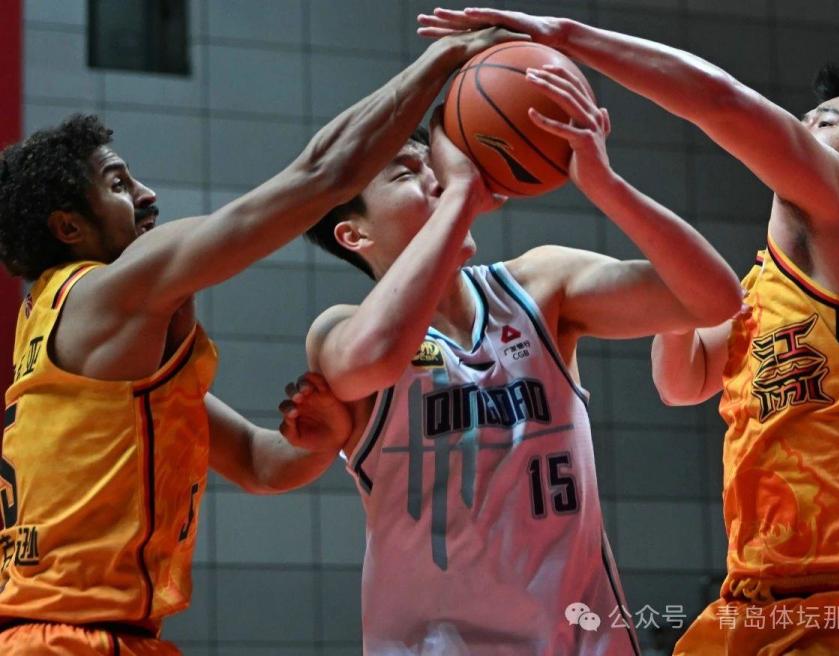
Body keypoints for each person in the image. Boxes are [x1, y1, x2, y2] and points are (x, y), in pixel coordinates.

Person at [417, 7, 839, 654]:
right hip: (749, 602)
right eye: (803, 119)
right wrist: (609, 189)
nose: (800, 128)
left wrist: (563, 35)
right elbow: (680, 382)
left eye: (824, 122)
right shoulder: (755, 290)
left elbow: (722, 102)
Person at [0, 26, 519, 654]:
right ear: (68, 227)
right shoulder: (108, 295)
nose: (147, 195)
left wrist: (319, 442)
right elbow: (323, 174)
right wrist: (439, 64)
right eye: (117, 184)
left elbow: (255, 460)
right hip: (73, 643)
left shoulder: (79, 343)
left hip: (91, 636)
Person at [299, 50, 742, 651]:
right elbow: (370, 359)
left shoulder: (541, 285)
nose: (435, 175)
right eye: (407, 175)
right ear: (355, 235)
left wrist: (604, 186)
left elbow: (713, 298)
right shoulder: (339, 330)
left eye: (432, 164)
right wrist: (457, 195)